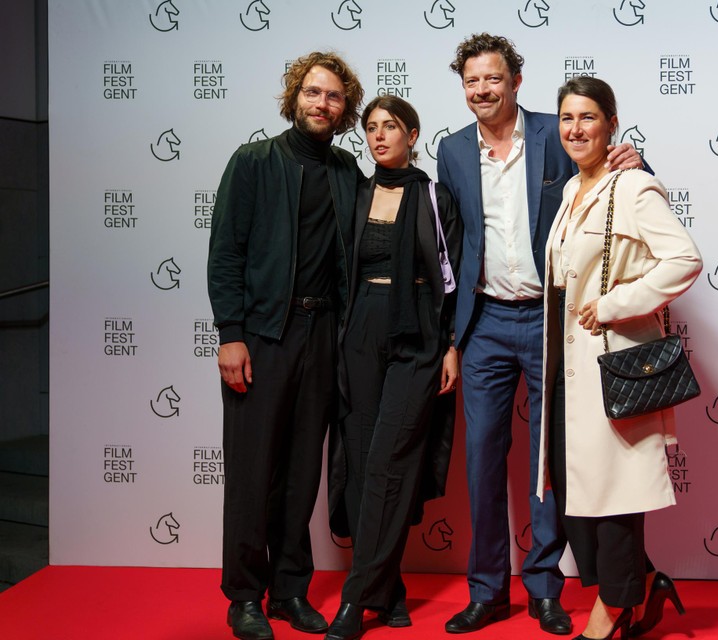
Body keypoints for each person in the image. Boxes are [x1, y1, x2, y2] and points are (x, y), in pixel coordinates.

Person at [436, 33, 643, 636]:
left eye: (492, 79)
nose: (482, 90)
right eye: (471, 81)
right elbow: (453, 244)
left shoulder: (558, 130)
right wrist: (451, 337)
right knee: (481, 461)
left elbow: (623, 174)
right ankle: (486, 589)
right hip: (483, 323)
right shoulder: (450, 151)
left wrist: (634, 158)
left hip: (553, 320)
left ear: (516, 82)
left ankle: (545, 588)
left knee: (550, 460)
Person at [538, 76, 702, 640]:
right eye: (566, 118)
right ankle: (646, 580)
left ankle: (612, 609)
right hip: (568, 365)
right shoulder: (569, 192)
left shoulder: (631, 187)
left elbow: (684, 259)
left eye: (587, 117)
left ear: (611, 123)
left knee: (615, 495)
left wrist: (614, 304)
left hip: (616, 362)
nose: (575, 129)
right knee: (578, 487)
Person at [207, 51, 364, 640]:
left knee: (303, 473)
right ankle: (244, 595)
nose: (321, 104)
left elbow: (401, 205)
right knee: (252, 472)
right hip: (264, 337)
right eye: (312, 93)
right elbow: (226, 254)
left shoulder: (349, 174)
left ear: (344, 107)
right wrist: (231, 335)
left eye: (333, 96)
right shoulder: (253, 162)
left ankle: (289, 591)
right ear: (294, 97)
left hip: (324, 337)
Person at [324, 95, 463, 640]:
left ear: (412, 134)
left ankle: (356, 599)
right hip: (359, 331)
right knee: (360, 464)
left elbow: (453, 273)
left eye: (390, 127)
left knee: (390, 462)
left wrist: (450, 343)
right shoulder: (355, 193)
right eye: (371, 128)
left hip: (418, 335)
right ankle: (390, 589)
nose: (379, 136)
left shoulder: (434, 196)